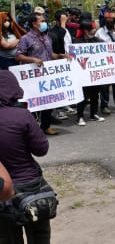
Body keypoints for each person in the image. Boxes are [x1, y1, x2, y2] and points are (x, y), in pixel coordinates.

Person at [0, 70, 52, 243]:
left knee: (8, 237)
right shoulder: (21, 115)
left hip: (2, 192)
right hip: (31, 186)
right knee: (40, 235)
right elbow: (41, 149)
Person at [15, 12, 71, 136]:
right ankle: (30, 129)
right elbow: (18, 56)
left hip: (47, 75)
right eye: (41, 21)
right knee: (32, 103)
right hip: (33, 76)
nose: (44, 23)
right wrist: (33, 60)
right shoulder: (26, 39)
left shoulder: (47, 38)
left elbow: (51, 55)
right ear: (34, 24)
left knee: (47, 101)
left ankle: (46, 126)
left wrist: (61, 55)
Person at [73, 20, 106, 126]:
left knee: (95, 95)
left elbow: (108, 50)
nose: (94, 31)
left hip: (94, 74)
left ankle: (93, 114)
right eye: (92, 29)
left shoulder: (98, 41)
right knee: (83, 96)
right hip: (82, 75)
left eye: (94, 29)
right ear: (85, 31)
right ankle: (80, 116)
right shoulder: (77, 42)